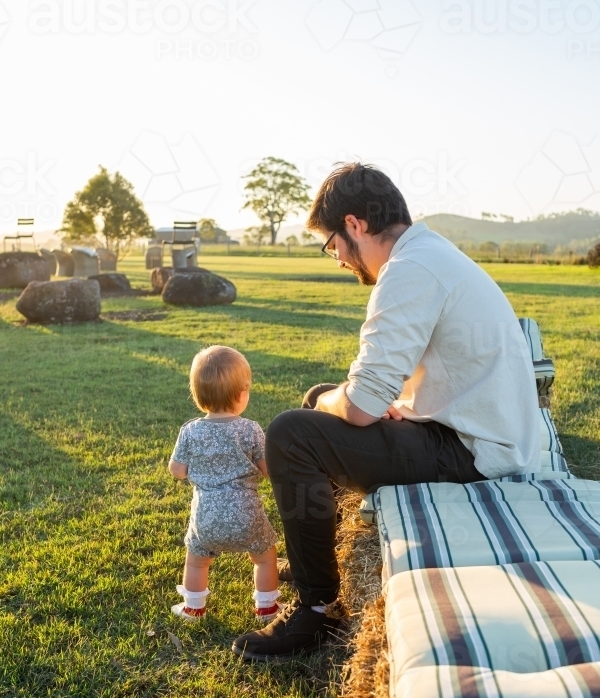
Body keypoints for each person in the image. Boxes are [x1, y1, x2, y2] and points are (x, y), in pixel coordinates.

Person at [231, 163, 541, 662]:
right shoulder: (429, 254)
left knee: (293, 431)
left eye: (331, 244)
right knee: (317, 397)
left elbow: (357, 408)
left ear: (353, 225)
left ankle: (316, 611)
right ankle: (317, 554)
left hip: (475, 454)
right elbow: (383, 388)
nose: (336, 259)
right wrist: (383, 403)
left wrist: (362, 402)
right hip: (475, 431)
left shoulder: (409, 271)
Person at [169, 345, 280, 622]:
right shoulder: (250, 429)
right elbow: (269, 471)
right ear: (242, 394)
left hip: (205, 517)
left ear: (198, 396)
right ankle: (267, 609)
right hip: (247, 514)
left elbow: (177, 471)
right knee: (265, 557)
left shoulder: (191, 430)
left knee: (196, 560)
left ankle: (193, 608)